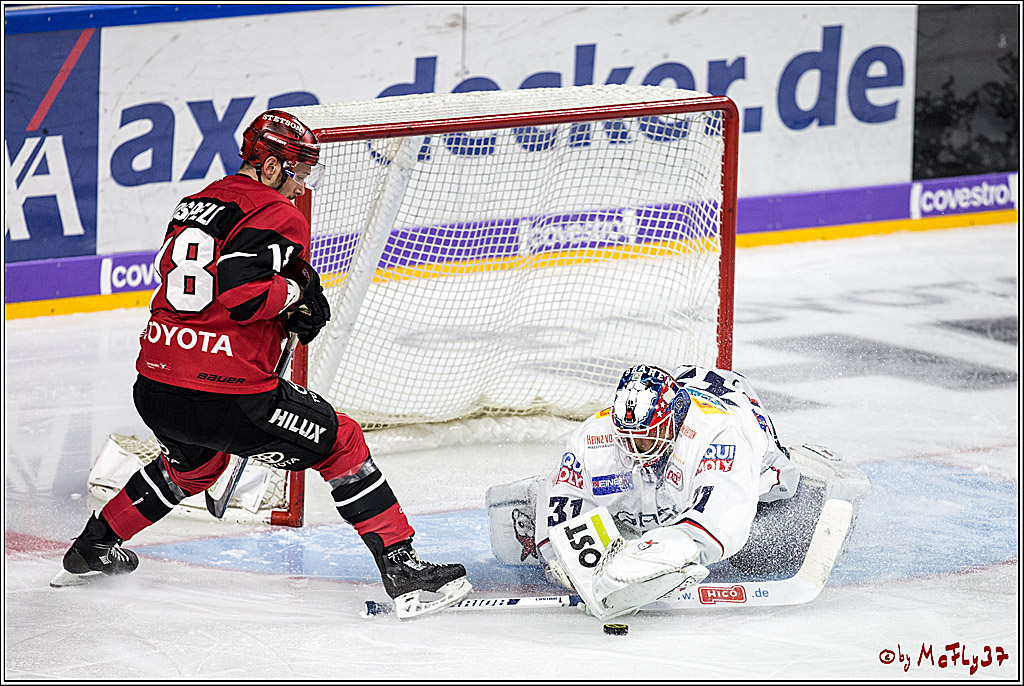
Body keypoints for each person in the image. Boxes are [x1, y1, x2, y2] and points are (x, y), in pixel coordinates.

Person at [52, 110, 471, 618]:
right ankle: (404, 568)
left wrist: (286, 307)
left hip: (157, 386)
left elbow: (207, 288)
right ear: (271, 167)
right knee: (341, 440)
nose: (300, 188)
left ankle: (93, 546)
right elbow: (243, 296)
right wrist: (298, 290)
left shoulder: (195, 203)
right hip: (228, 396)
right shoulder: (275, 211)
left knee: (196, 467)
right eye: (297, 173)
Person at [486, 362, 868, 617]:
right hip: (675, 464)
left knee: (765, 550)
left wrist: (671, 549)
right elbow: (566, 499)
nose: (635, 449)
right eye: (628, 438)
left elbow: (723, 516)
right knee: (542, 536)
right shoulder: (596, 433)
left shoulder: (718, 432)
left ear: (672, 420)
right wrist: (559, 553)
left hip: (764, 470)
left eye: (648, 437)